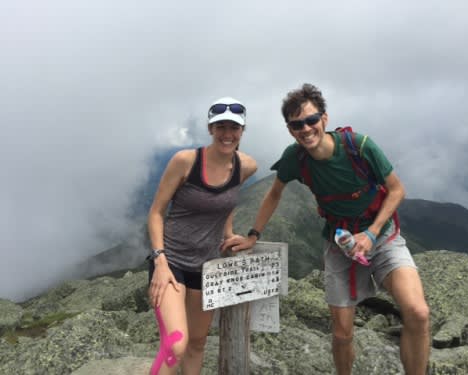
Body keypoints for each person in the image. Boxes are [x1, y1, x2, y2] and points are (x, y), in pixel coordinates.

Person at [224, 83, 430, 375]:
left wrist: (371, 233)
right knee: (343, 333)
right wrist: (253, 235)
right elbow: (274, 194)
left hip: (382, 239)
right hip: (340, 244)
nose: (306, 129)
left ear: (324, 119)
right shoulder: (295, 158)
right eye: (297, 124)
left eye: (311, 120)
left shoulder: (360, 146)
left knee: (418, 313)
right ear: (290, 129)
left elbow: (397, 190)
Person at [147, 97, 257, 375]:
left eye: (234, 127)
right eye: (220, 126)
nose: (227, 134)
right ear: (210, 128)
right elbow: (156, 213)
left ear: (242, 131)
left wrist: (229, 232)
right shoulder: (186, 161)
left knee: (197, 343)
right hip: (171, 262)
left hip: (206, 266)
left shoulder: (246, 167)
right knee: (176, 345)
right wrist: (159, 261)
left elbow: (227, 200)